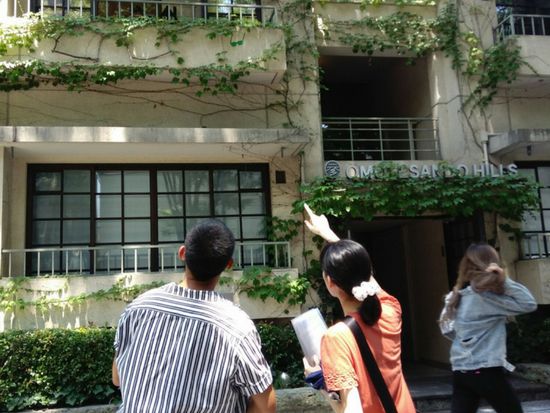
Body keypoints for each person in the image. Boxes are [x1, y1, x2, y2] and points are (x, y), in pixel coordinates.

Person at [112, 219, 276, 413]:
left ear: (182, 253)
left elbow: (117, 378)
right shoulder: (236, 326)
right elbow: (266, 406)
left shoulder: (137, 308)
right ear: (228, 265)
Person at [303, 203, 415, 413]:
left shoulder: (336, 337)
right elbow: (362, 272)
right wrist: (329, 234)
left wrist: (320, 383)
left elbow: (351, 409)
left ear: (329, 282)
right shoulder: (390, 310)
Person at [438, 243, 537, 413]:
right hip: (486, 369)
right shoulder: (488, 299)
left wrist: (467, 342)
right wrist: (505, 280)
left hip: (460, 369)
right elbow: (528, 304)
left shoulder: (455, 297)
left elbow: (446, 328)